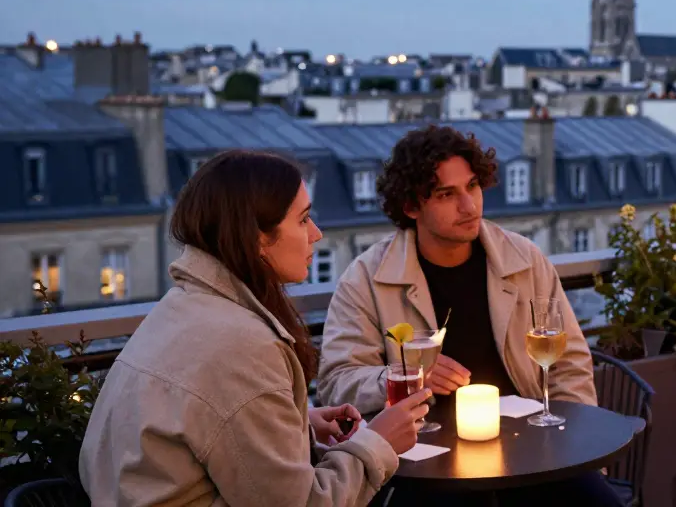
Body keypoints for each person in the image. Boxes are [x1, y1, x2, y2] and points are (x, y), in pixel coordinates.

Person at [80, 150, 430, 506]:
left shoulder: (179, 310)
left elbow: (191, 433)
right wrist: (378, 443)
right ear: (258, 237)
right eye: (303, 220)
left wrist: (296, 426)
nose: (317, 234)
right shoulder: (242, 346)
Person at [317, 125, 618, 506]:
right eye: (447, 194)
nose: (469, 206)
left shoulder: (523, 260)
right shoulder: (367, 278)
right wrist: (403, 377)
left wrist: (572, 449)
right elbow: (336, 383)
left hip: (530, 453)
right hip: (423, 462)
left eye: (473, 186)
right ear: (411, 206)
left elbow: (570, 364)